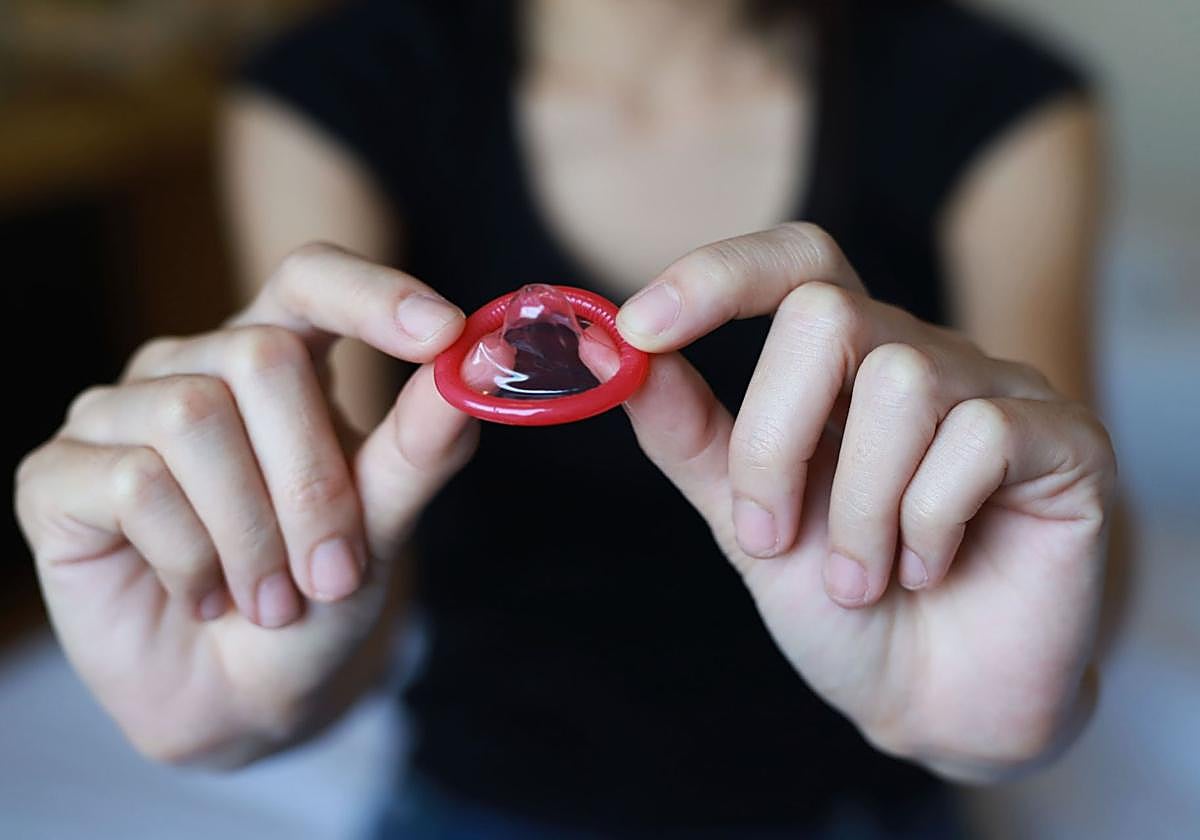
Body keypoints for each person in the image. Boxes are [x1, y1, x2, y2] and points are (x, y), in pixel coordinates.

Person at [14, 0, 1116, 836]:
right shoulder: (337, 89)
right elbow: (345, 548)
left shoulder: (994, 99)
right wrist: (264, 671)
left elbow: (1065, 515)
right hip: (482, 788)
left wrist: (1002, 700)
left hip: (864, 801)